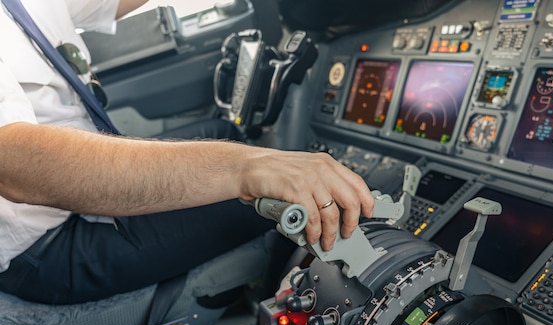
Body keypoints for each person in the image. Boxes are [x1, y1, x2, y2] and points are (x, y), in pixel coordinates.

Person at [0, 0, 375, 304]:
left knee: (225, 133)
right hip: (45, 244)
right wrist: (246, 170)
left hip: (72, 195)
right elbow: (16, 164)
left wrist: (250, 160)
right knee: (275, 202)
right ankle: (272, 310)